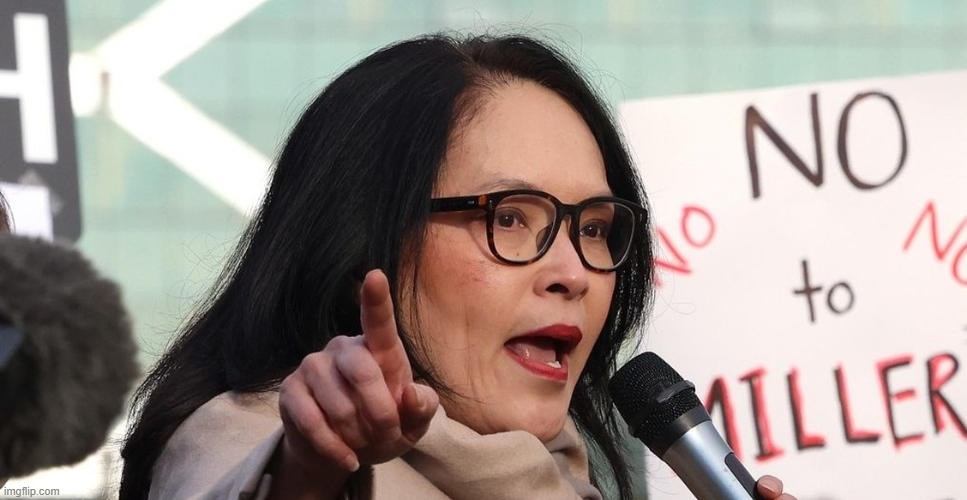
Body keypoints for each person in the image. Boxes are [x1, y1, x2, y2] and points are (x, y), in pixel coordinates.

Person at [119, 33, 796, 500]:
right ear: (365, 245)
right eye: (509, 217)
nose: (572, 272)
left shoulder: (562, 479)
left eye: (593, 228)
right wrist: (308, 476)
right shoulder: (252, 444)